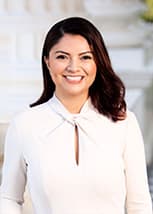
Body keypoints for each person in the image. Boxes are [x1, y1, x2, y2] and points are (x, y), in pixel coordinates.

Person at [0, 17, 152, 214]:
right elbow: (9, 198)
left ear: (98, 61)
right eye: (62, 57)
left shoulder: (124, 123)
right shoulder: (24, 125)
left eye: (85, 57)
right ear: (47, 61)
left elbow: (139, 204)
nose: (73, 67)